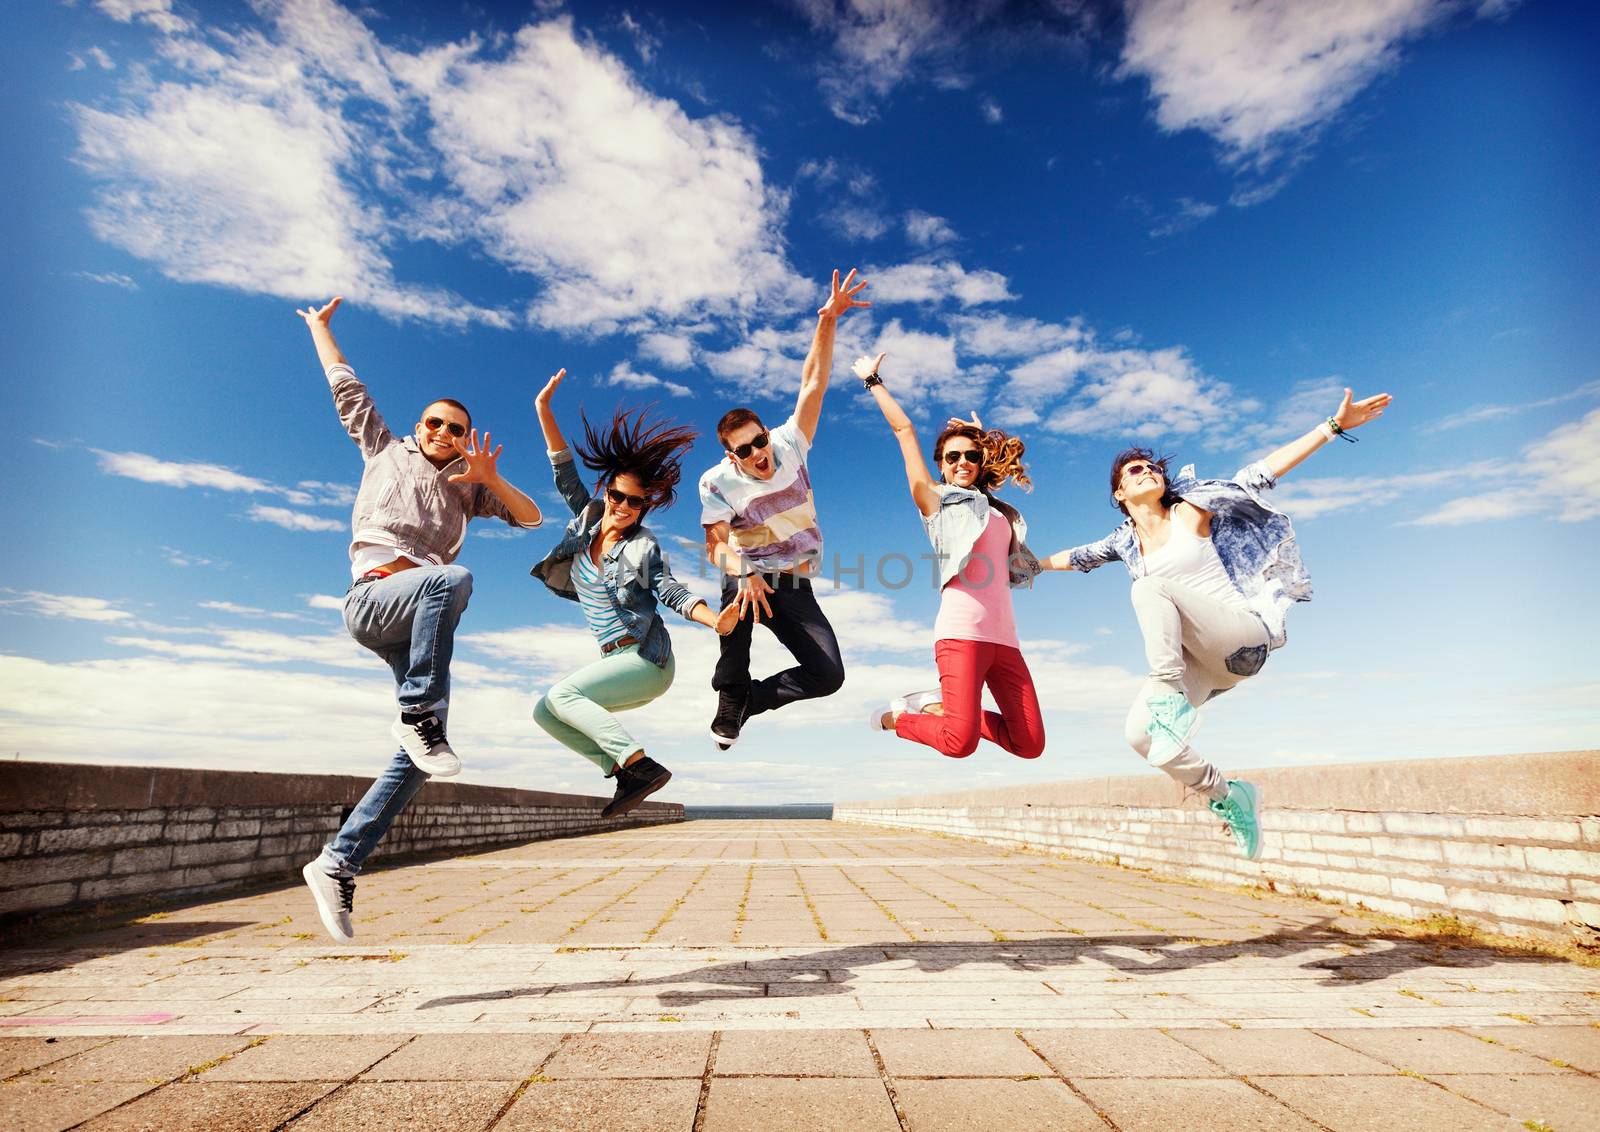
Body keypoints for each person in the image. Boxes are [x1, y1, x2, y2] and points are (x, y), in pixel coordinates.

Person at [1039, 388, 1393, 859]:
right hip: (1203, 663)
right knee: (1142, 737)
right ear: (1119, 493)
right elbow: (1072, 557)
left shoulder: (1192, 510)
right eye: (1134, 470)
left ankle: (1168, 698)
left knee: (1148, 590)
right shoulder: (1124, 543)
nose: (1148, 471)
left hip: (1244, 638)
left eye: (1152, 467)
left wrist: (1332, 427)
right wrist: (1021, 565)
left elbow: (1260, 474)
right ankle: (1229, 796)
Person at [295, 296, 543, 943]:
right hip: (375, 597)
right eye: (435, 424)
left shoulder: (468, 486)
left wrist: (491, 476)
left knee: (424, 758)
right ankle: (418, 713)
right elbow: (345, 387)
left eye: (456, 430)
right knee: (452, 580)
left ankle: (337, 863)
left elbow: (531, 518)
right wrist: (322, 330)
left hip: (416, 618)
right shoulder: (384, 450)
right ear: (419, 426)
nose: (444, 434)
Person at [531, 369, 740, 817]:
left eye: (634, 501)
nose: (623, 506)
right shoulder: (587, 519)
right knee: (545, 712)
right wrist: (544, 409)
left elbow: (668, 589)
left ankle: (640, 764)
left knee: (565, 697)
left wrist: (714, 620)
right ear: (607, 492)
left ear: (646, 505)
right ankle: (623, 771)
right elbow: (563, 469)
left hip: (647, 661)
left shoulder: (643, 545)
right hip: (616, 662)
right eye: (617, 496)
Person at [699, 268, 871, 750]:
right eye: (746, 450)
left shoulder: (790, 442)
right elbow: (715, 546)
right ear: (731, 455)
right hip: (750, 573)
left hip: (794, 582)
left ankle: (754, 699)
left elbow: (813, 383)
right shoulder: (716, 482)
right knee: (736, 591)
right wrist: (746, 572)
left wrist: (829, 320)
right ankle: (731, 695)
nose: (759, 454)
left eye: (759, 441)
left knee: (828, 674)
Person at [859, 353, 1046, 761]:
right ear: (940, 467)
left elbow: (992, 466)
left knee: (1029, 743)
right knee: (959, 744)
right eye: (952, 457)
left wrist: (980, 437)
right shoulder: (936, 503)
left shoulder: (996, 509)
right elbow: (904, 429)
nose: (963, 462)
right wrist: (873, 380)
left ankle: (945, 707)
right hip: (961, 633)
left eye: (971, 456)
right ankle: (899, 718)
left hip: (1005, 639)